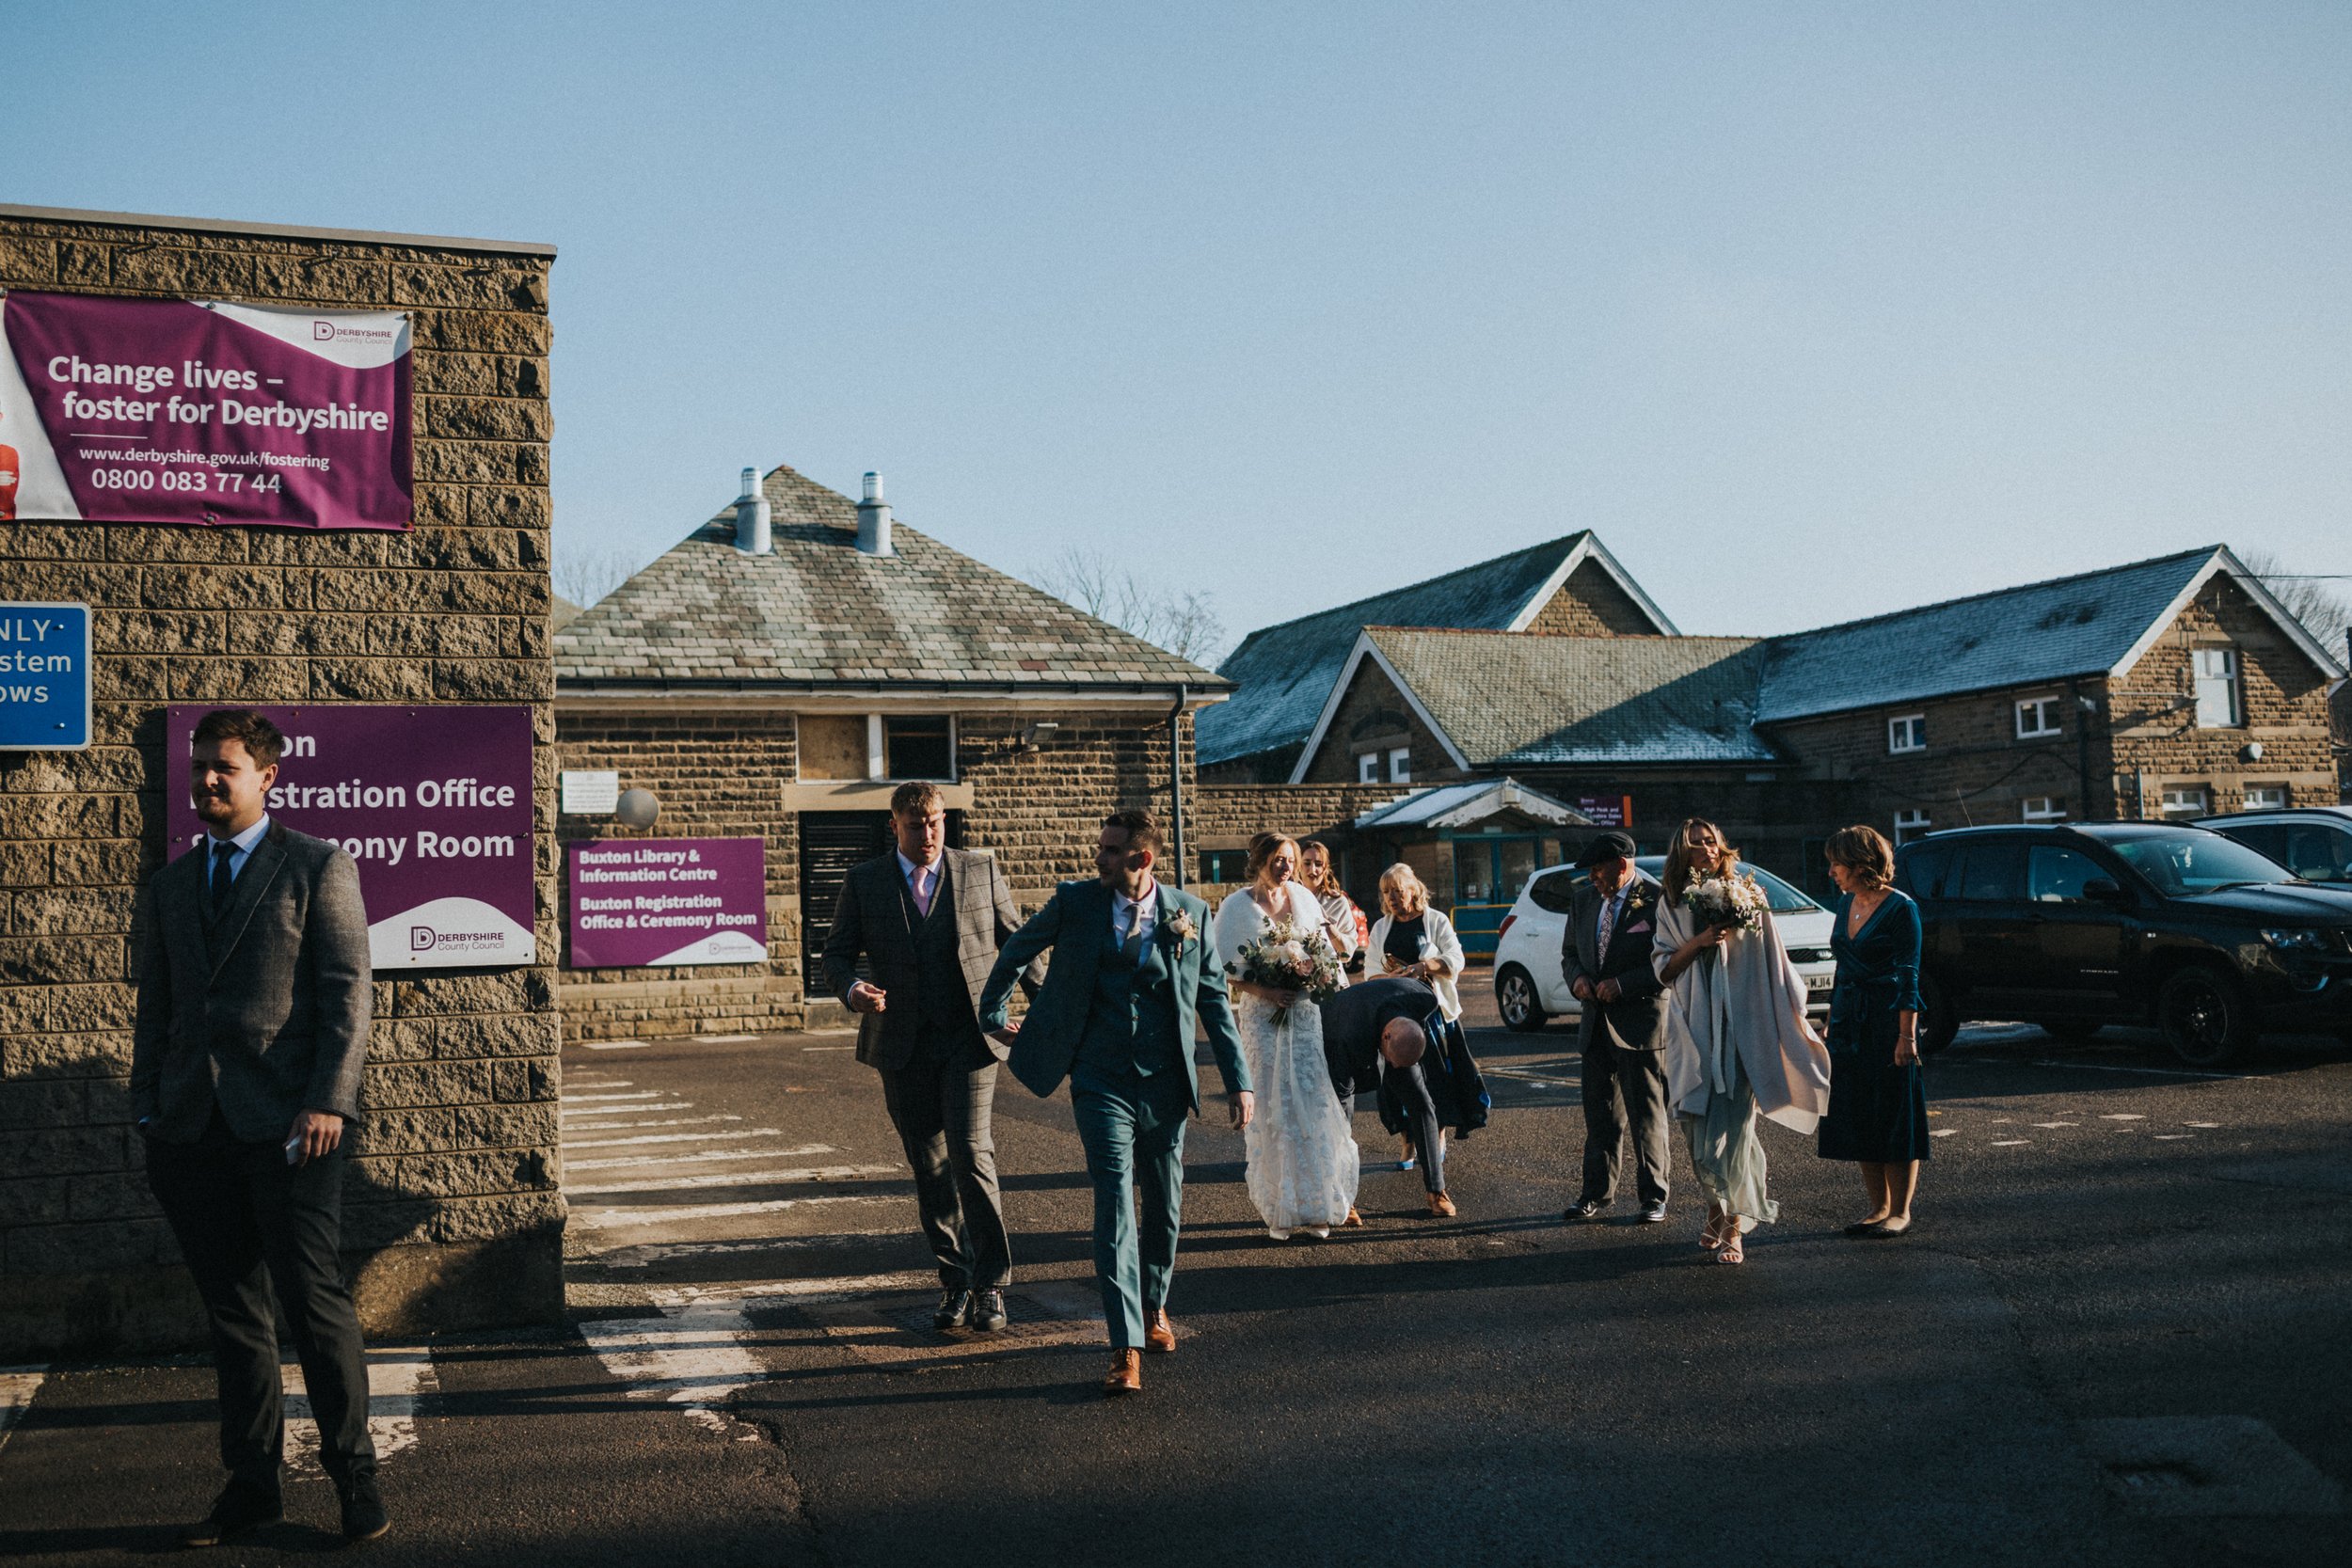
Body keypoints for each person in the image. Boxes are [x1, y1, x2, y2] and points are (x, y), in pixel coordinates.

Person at [131, 709, 386, 1546]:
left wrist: (328, 1103)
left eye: (224, 767)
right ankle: (251, 1486)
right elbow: (157, 1014)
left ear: (267, 776)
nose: (206, 779)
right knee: (234, 1315)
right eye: (199, 765)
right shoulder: (169, 885)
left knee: (313, 1308)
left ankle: (355, 1481)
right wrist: (149, 1111)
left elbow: (349, 997)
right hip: (192, 1134)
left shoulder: (317, 866)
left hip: (292, 1130)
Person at [977, 809, 1252, 1397]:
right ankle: (1123, 1343)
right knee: (1114, 1203)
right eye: (1099, 847)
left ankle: (1154, 1307)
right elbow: (1017, 947)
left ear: (1141, 859)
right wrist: (993, 1012)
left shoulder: (1189, 914)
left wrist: (1239, 1080)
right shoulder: (1075, 902)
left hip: (1166, 1083)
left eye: (1108, 850)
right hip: (1099, 1080)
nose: (1096, 857)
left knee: (1166, 1205)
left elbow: (1213, 1003)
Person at [820, 781, 1039, 1334]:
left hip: (970, 1041)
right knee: (930, 1167)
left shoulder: (979, 869)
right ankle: (955, 1280)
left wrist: (1049, 1012)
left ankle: (991, 1282)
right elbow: (837, 954)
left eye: (937, 822)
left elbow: (1017, 943)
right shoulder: (864, 880)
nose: (929, 834)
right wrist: (853, 991)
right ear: (894, 826)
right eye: (916, 826)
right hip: (902, 1045)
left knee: (970, 1155)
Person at [1651, 819, 1833, 1264]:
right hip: (1694, 1030)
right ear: (1682, 854)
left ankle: (1735, 1225)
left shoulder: (1750, 893)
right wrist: (1701, 940)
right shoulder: (1672, 903)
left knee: (1735, 1129)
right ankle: (1715, 1208)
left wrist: (1792, 1014)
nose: (1706, 850)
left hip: (1741, 1029)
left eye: (1711, 842)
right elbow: (1663, 968)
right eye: (1696, 845)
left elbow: (1775, 962)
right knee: (1696, 1129)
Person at [1212, 833, 1359, 1240]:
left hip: (1305, 1014)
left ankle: (1316, 1207)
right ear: (1259, 860)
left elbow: (1325, 958)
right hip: (1263, 1017)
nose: (1287, 867)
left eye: (1290, 860)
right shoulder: (1237, 906)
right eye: (1278, 859)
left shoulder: (1304, 900)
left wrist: (1313, 977)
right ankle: (1281, 1208)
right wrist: (1267, 990)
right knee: (1275, 1110)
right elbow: (1226, 971)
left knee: (1311, 1105)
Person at [1817, 825, 1930, 1237]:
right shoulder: (1846, 903)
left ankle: (1900, 1210)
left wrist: (1907, 1036)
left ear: (1862, 863)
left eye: (1837, 863)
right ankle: (1877, 1207)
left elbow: (1909, 977)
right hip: (1849, 1023)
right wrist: (1831, 1019)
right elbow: (1842, 968)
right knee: (1860, 1114)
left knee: (1894, 1115)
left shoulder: (1902, 909)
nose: (1832, 872)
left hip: (1887, 1025)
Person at [1560, 831, 1673, 1225]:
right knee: (1599, 1116)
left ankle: (1653, 1197)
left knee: (1646, 1115)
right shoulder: (1583, 900)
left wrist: (1624, 985)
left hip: (1640, 1025)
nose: (1592, 877)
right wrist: (1577, 980)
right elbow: (1570, 954)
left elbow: (1668, 963)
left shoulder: (1659, 901)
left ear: (1622, 866)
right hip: (1594, 1025)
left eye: (1597, 869)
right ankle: (1595, 1194)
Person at [1318, 975, 1488, 1218]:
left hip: (1393, 1025)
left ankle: (1436, 1190)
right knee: (1341, 1119)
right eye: (1392, 1062)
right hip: (1338, 1029)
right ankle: (1343, 1199)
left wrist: (1401, 1061)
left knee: (1423, 1104)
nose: (1394, 1068)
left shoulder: (1424, 1000)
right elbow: (1343, 1099)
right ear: (1385, 1038)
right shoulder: (1346, 1034)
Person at [1365, 864, 1467, 1171]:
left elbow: (1456, 959)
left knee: (1437, 1079)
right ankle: (1408, 1142)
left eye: (1398, 890)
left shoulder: (1435, 920)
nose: (1392, 898)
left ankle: (1437, 1139)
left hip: (1432, 1015)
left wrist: (1425, 967)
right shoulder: (1381, 927)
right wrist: (1393, 975)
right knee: (1397, 1082)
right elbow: (1370, 973)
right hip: (1395, 1016)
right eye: (1386, 892)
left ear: (1413, 890)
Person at [1298, 839, 1363, 982]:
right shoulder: (1288, 898)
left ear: (1325, 868)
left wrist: (1332, 932)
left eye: (1318, 864)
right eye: (1307, 863)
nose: (1312, 869)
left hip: (1329, 977)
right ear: (1298, 866)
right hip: (1296, 977)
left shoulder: (1338, 902)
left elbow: (1347, 954)